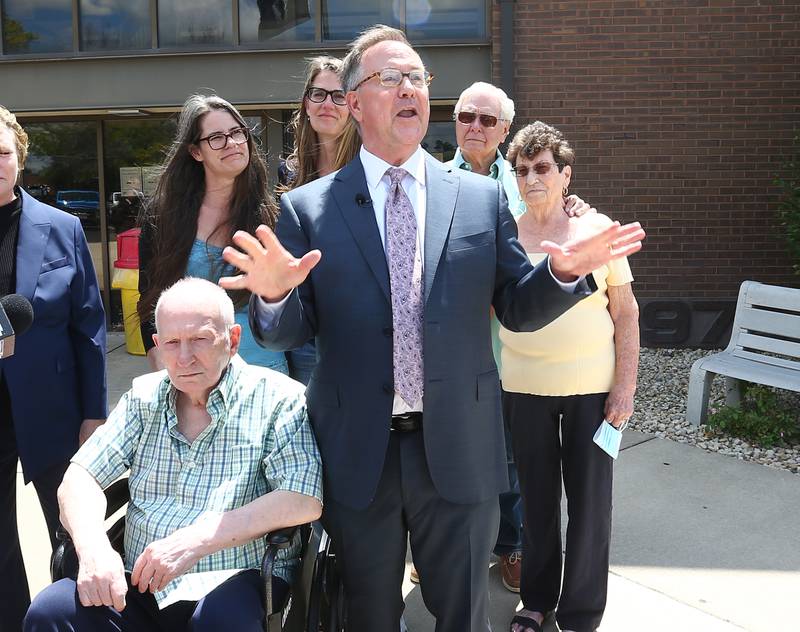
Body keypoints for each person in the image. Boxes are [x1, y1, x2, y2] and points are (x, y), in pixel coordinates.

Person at [220, 25, 644, 632]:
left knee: (464, 616)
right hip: (358, 452)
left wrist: (561, 273)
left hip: (460, 447)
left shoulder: (479, 200)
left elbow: (518, 309)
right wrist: (273, 294)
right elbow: (290, 333)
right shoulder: (309, 207)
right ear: (355, 102)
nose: (409, 88)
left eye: (417, 77)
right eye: (390, 78)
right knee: (367, 614)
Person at [24, 277, 323, 632]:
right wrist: (93, 550)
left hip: (234, 577)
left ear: (233, 340)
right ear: (157, 345)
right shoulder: (143, 398)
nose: (184, 357)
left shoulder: (278, 399)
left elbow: (303, 498)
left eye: (199, 339)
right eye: (172, 343)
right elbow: (80, 477)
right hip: (140, 582)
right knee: (51, 611)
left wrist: (195, 541)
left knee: (222, 621)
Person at [502, 122, 639, 632]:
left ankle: (580, 615)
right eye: (522, 170)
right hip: (524, 389)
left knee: (590, 506)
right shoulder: (506, 235)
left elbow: (625, 312)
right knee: (535, 503)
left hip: (592, 391)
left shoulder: (597, 229)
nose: (532, 179)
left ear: (565, 176)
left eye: (542, 169)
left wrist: (624, 386)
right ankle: (535, 600)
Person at [0, 105, 107, 630]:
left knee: (71, 531)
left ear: (19, 156)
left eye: (1, 152)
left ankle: (69, 621)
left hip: (54, 409)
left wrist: (93, 413)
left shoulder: (60, 227)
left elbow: (89, 325)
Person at [137, 94, 288, 374]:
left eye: (237, 133)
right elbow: (149, 299)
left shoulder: (272, 215)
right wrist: (160, 361)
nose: (231, 143)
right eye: (216, 138)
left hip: (263, 372)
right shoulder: (163, 217)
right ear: (196, 152)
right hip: (192, 371)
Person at [279, 55, 360, 385]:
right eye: (318, 93)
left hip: (354, 333)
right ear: (306, 104)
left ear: (353, 105)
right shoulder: (289, 173)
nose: (328, 103)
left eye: (338, 95)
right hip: (303, 338)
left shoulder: (367, 171)